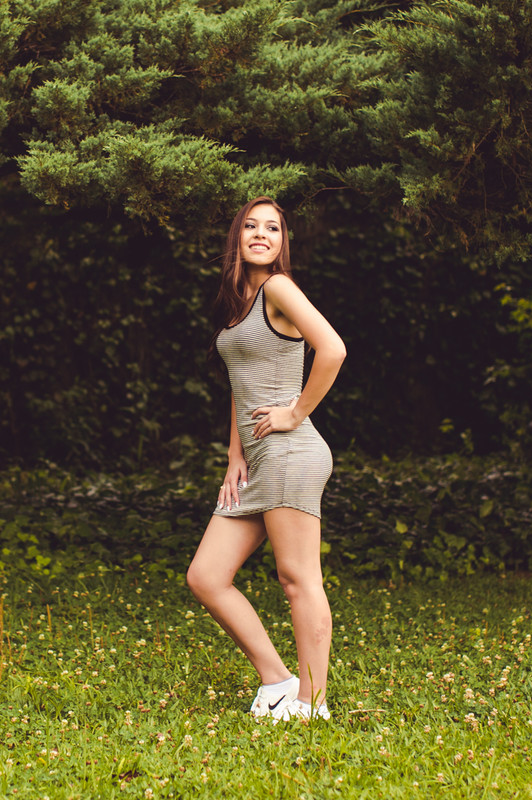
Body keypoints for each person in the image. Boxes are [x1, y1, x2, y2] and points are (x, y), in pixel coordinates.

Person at [186, 197, 346, 721]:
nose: (261, 234)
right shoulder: (242, 304)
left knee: (298, 578)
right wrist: (235, 455)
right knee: (206, 576)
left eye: (272, 228)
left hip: (290, 453)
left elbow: (333, 349)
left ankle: (312, 704)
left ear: (282, 242)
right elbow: (241, 384)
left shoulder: (278, 288)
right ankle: (278, 681)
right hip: (257, 461)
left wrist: (295, 413)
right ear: (237, 237)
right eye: (251, 226)